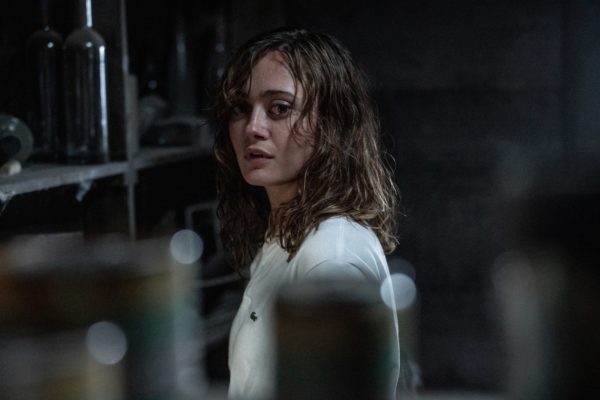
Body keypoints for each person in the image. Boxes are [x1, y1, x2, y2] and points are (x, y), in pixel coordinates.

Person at [213, 27, 401, 400]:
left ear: (332, 123)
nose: (253, 127)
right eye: (241, 108)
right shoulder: (287, 233)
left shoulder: (329, 257)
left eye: (279, 108)